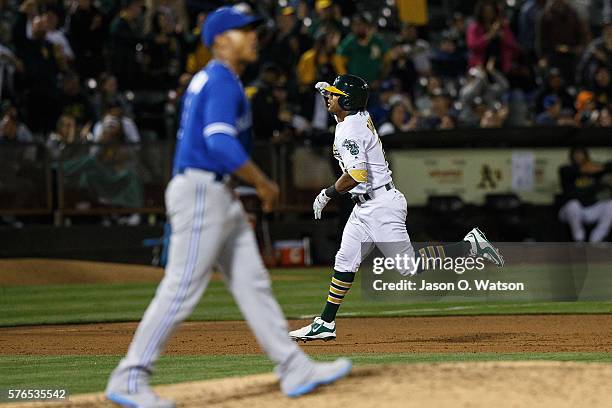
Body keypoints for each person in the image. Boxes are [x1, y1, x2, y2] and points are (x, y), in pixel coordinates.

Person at [105, 6, 352, 408]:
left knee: (252, 284)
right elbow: (218, 141)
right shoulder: (220, 79)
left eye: (253, 30)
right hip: (202, 188)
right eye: (243, 31)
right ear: (220, 40)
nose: (253, 37)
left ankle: (294, 367)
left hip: (215, 190)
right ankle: (129, 376)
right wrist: (261, 181)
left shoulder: (216, 81)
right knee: (182, 286)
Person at [289, 75, 504, 342]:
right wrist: (330, 91)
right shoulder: (353, 119)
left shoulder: (349, 130)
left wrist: (328, 193)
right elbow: (346, 113)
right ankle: (325, 323)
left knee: (408, 266)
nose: (328, 98)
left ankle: (470, 245)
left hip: (379, 206)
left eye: (333, 95)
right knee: (345, 260)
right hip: (366, 206)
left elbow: (357, 174)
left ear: (346, 100)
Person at [558, 147, 612, 242]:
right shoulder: (565, 170)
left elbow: (609, 166)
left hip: (590, 209)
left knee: (610, 204)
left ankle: (597, 238)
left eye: (581, 154)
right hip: (570, 211)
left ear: (586, 156)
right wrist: (587, 169)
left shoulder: (595, 171)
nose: (578, 156)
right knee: (573, 205)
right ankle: (579, 239)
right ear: (572, 156)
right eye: (576, 154)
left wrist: (599, 167)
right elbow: (571, 170)